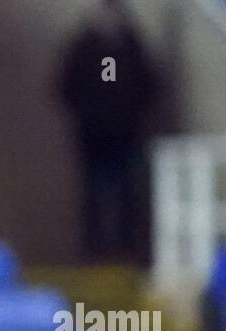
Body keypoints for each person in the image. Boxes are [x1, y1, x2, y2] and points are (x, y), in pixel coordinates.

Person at [57, 0, 160, 263]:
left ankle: (126, 249)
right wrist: (86, 113)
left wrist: (131, 113)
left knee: (127, 192)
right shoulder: (83, 47)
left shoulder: (132, 46)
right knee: (92, 192)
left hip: (125, 133)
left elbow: (149, 85)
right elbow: (63, 85)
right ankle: (92, 250)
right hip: (92, 134)